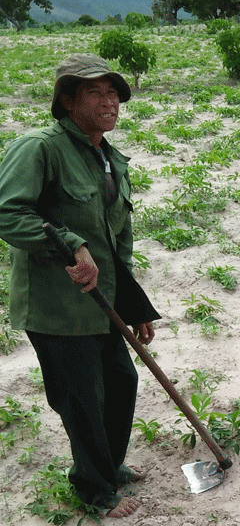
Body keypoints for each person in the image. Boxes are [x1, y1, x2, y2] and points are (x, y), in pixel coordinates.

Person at [0, 54, 155, 518]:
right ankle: (93, 490)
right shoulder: (39, 148)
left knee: (122, 382)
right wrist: (70, 245)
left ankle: (109, 465)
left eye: (114, 94)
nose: (109, 103)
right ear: (67, 101)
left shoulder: (110, 158)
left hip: (103, 302)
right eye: (95, 93)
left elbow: (117, 241)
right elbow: (8, 213)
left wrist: (134, 303)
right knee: (82, 400)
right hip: (58, 307)